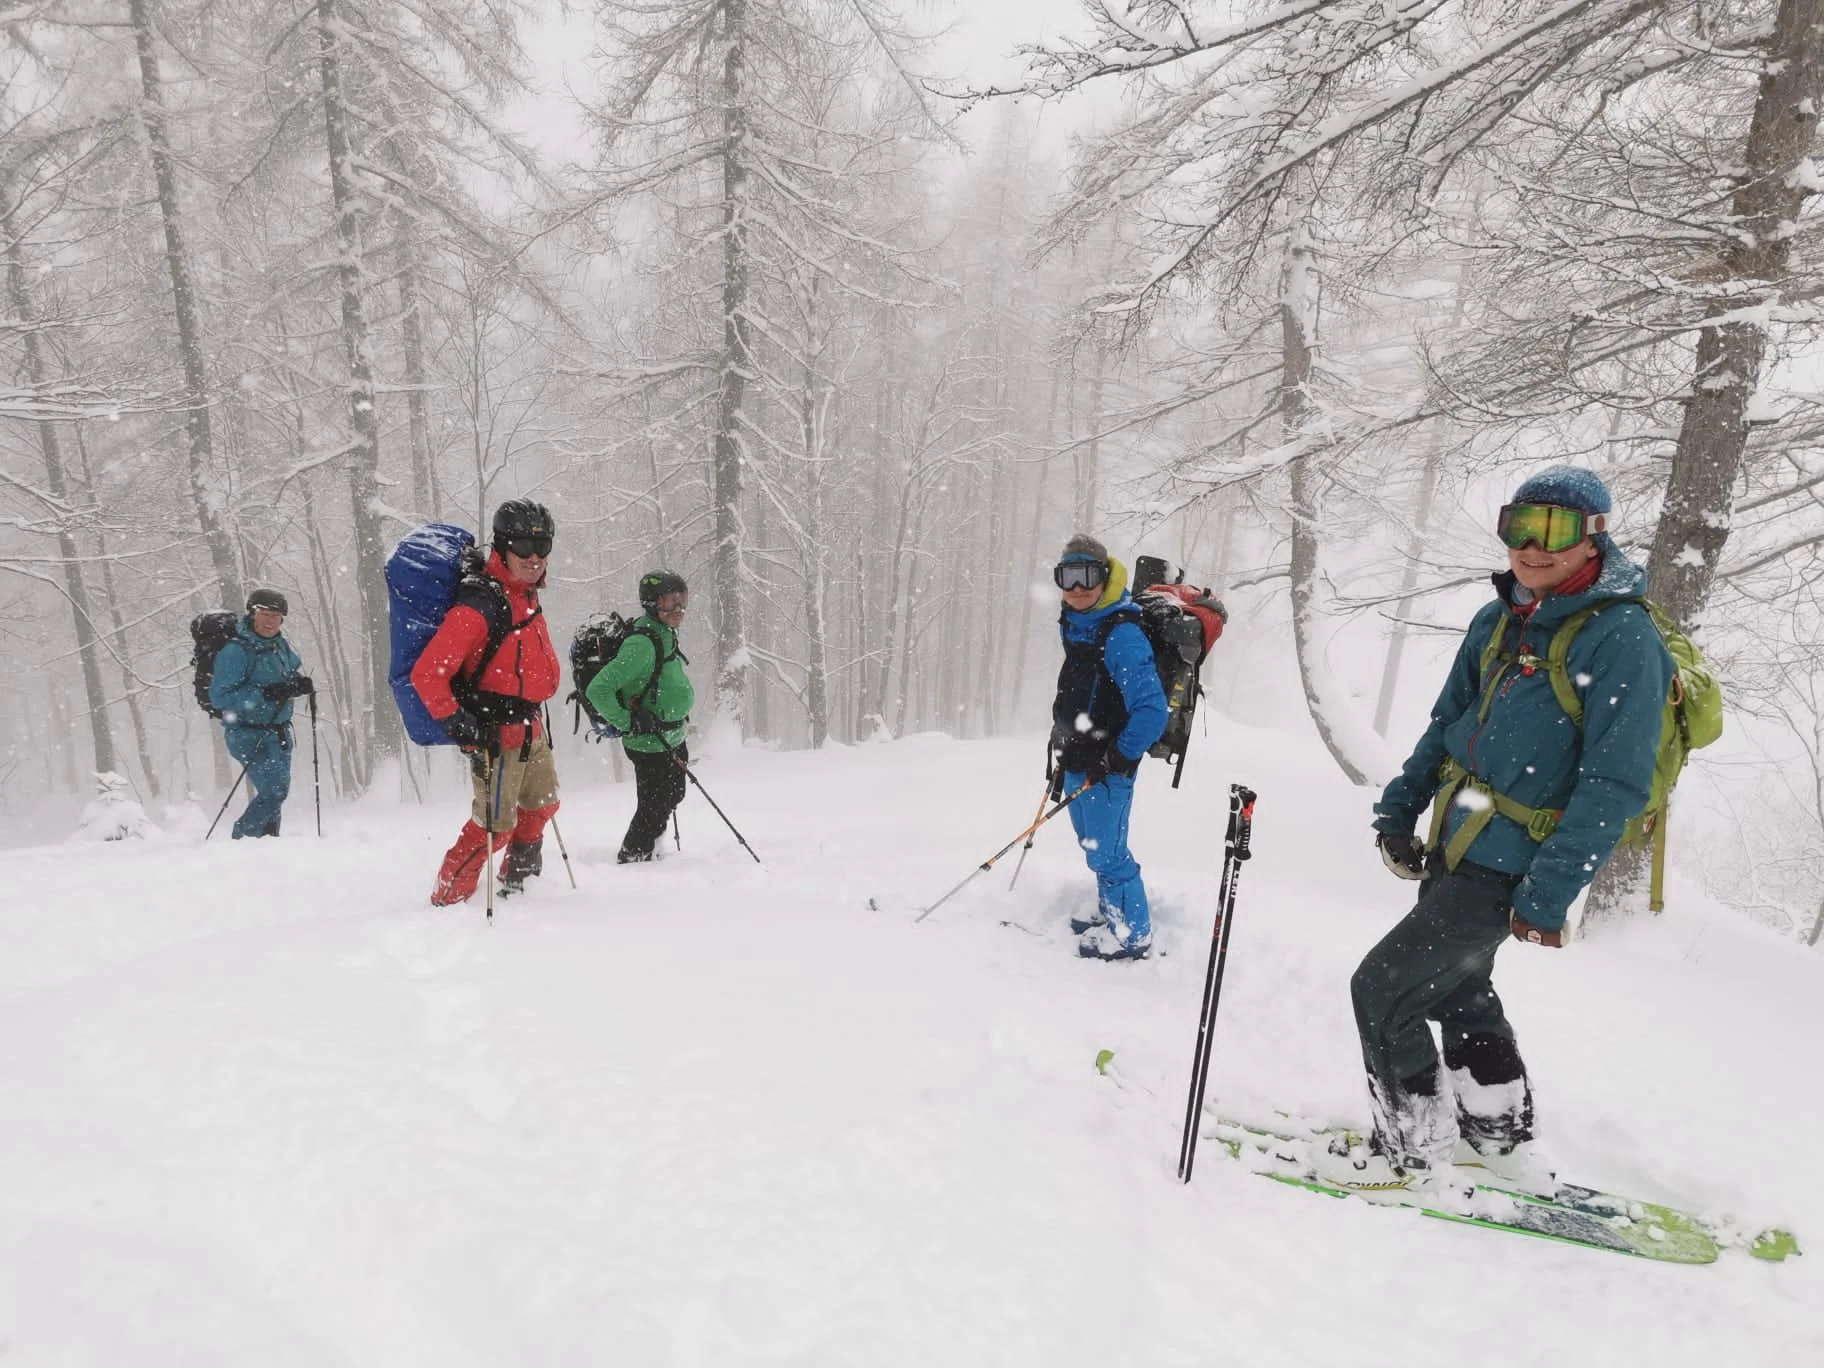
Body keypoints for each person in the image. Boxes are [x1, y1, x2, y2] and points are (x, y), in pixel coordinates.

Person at [1356, 466, 1672, 1187]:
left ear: (1593, 537)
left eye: (1554, 529)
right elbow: (1447, 724)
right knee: (1457, 990)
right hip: (1458, 838)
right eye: (1519, 526)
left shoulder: (1622, 637)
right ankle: (1496, 1134)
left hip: (1512, 861)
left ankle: (1413, 1151)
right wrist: (1400, 809)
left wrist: (1549, 892)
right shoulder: (1498, 618)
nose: (1531, 546)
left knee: (1381, 990)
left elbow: (1615, 783)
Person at [412, 500, 563, 904]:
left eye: (542, 546)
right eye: (523, 546)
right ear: (502, 546)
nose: (534, 557)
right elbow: (427, 675)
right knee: (494, 826)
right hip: (497, 735)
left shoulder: (526, 594)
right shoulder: (480, 604)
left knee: (542, 805)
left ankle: (520, 883)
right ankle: (448, 897)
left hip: (531, 726)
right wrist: (458, 723)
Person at [1047, 535, 1168, 960]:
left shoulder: (1122, 635)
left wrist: (1117, 757)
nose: (1078, 587)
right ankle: (1112, 911)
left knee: (1109, 854)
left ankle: (1133, 937)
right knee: (1094, 847)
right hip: (1079, 759)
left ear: (1104, 577)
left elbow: (1152, 711)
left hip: (1107, 768)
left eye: (1088, 575)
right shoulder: (1079, 625)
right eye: (1069, 577)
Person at [584, 571, 693, 864]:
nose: (679, 609)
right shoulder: (642, 644)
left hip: (671, 736)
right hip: (649, 742)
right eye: (670, 602)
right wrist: (627, 722)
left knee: (672, 795)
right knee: (653, 807)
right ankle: (633, 858)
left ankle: (651, 847)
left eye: (682, 600)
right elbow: (598, 689)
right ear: (651, 603)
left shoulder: (664, 631)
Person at [209, 588, 313, 839]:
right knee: (275, 791)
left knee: (275, 794)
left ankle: (267, 843)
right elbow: (220, 698)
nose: (270, 621)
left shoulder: (279, 645)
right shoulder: (236, 651)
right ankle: (241, 840)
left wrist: (298, 684)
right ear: (252, 614)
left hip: (278, 733)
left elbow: (287, 675)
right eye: (264, 614)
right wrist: (265, 694)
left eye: (275, 616)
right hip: (247, 734)